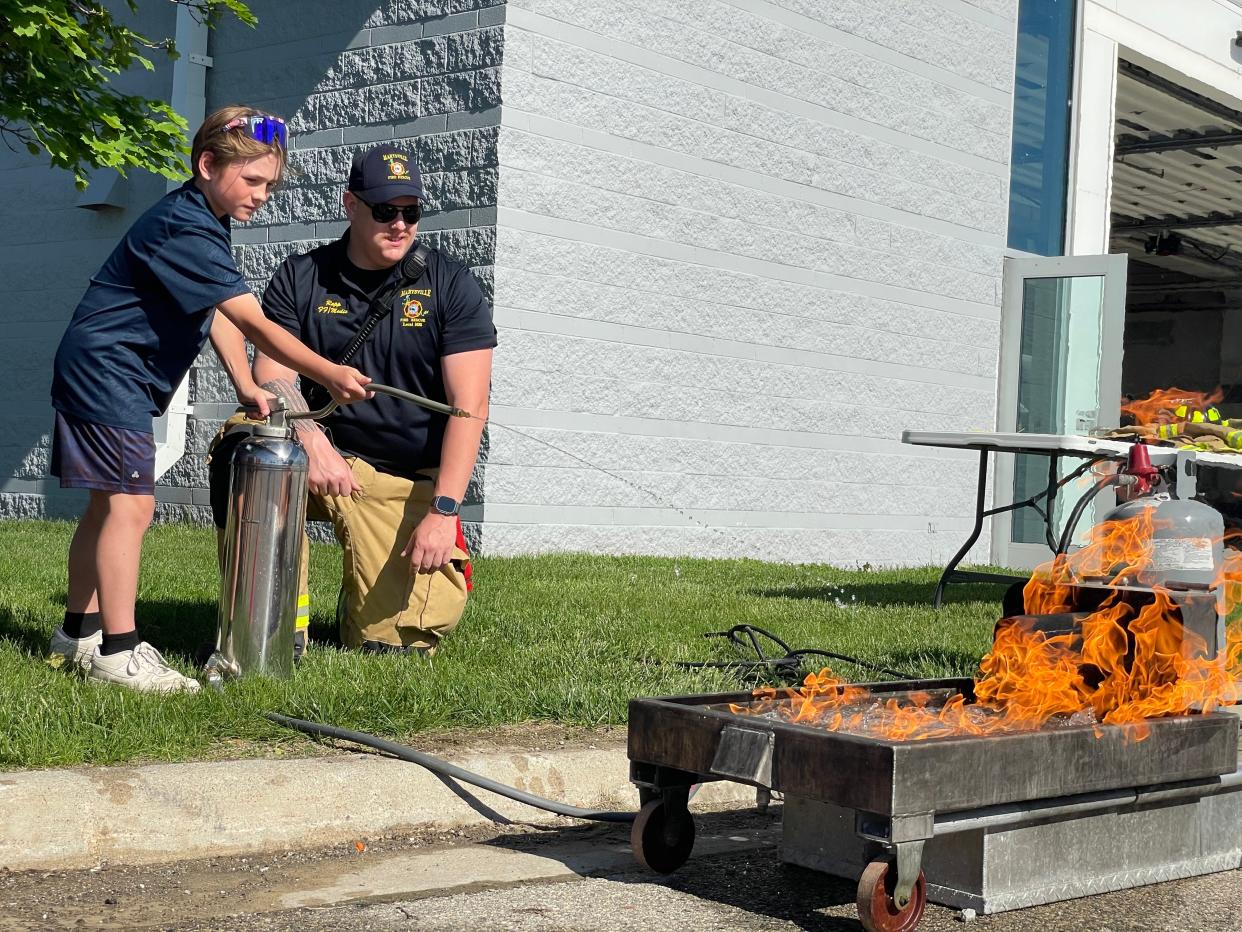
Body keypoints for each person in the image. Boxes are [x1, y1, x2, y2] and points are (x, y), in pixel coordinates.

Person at [46, 106, 372, 693]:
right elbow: (253, 321)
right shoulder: (188, 225)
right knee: (131, 507)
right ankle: (118, 653)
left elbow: (213, 305)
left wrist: (245, 385)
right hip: (108, 371)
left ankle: (77, 634)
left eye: (270, 184)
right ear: (206, 165)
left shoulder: (203, 218)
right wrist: (329, 370)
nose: (263, 195)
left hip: (105, 368)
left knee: (106, 506)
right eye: (252, 180)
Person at [209, 143, 495, 656]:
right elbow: (270, 374)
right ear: (350, 205)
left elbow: (470, 408)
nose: (400, 225)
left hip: (399, 479)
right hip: (319, 457)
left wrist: (444, 510)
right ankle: (274, 627)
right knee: (251, 446)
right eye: (385, 210)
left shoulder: (452, 284)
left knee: (397, 642)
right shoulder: (302, 276)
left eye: (411, 212)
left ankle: (360, 599)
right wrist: (310, 440)